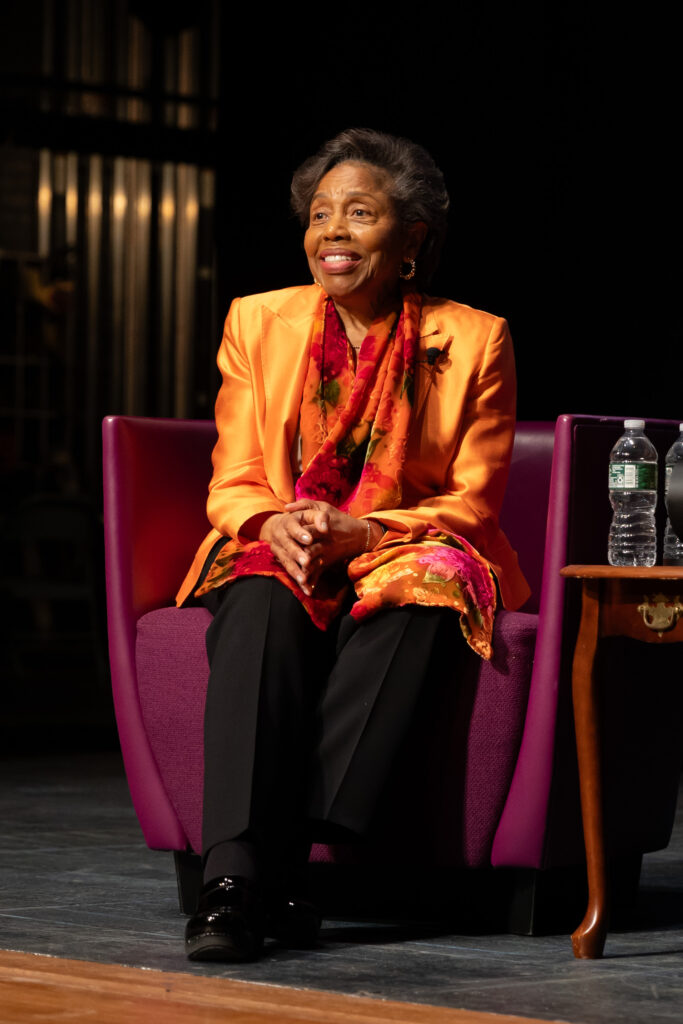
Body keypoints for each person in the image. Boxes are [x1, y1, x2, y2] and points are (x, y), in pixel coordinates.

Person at [176, 128, 530, 962]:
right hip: (287, 530)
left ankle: (295, 862)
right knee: (262, 583)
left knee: (428, 581)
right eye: (319, 215)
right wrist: (280, 523)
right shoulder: (256, 321)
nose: (330, 232)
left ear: (410, 239)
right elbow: (236, 479)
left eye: (358, 214)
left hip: (401, 539)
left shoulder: (475, 338)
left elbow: (470, 501)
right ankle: (232, 882)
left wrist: (363, 531)